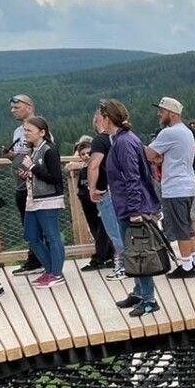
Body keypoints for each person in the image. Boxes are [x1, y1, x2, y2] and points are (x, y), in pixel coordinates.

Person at [100, 99, 162, 319]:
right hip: (126, 205)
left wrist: (135, 210)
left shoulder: (124, 142)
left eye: (101, 116)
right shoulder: (123, 139)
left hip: (132, 207)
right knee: (132, 251)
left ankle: (148, 300)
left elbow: (132, 178)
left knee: (139, 253)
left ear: (107, 118)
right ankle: (138, 292)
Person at [146, 97, 195, 280]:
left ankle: (186, 266)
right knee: (186, 225)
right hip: (187, 184)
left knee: (180, 228)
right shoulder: (186, 131)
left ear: (172, 113)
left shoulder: (168, 133)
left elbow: (148, 154)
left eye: (162, 111)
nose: (159, 114)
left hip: (175, 187)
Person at [20, 115, 66, 288]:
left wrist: (33, 167)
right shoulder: (34, 150)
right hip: (34, 199)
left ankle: (56, 274)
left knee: (52, 236)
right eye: (25, 130)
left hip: (48, 199)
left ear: (42, 132)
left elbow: (55, 178)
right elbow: (41, 173)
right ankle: (50, 270)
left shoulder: (49, 150)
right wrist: (30, 173)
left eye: (29, 130)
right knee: (31, 236)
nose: (26, 134)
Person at [86, 108, 125, 278]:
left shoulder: (100, 141)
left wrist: (92, 188)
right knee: (122, 229)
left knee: (114, 232)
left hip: (106, 191)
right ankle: (127, 263)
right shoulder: (120, 138)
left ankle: (123, 265)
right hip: (121, 189)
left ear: (98, 121)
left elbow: (94, 165)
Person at [6, 93, 43, 275]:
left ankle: (39, 260)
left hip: (33, 185)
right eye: (12, 108)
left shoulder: (38, 128)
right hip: (20, 185)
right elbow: (21, 155)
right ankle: (35, 258)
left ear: (29, 107)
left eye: (17, 107)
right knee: (27, 223)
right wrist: (12, 156)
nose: (13, 111)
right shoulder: (17, 132)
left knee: (37, 224)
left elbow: (42, 155)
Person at [70, 135, 112, 272]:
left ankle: (100, 258)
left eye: (89, 153)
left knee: (102, 229)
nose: (86, 156)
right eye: (83, 154)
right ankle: (107, 255)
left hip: (99, 200)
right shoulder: (84, 169)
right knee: (95, 229)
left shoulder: (99, 168)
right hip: (86, 201)